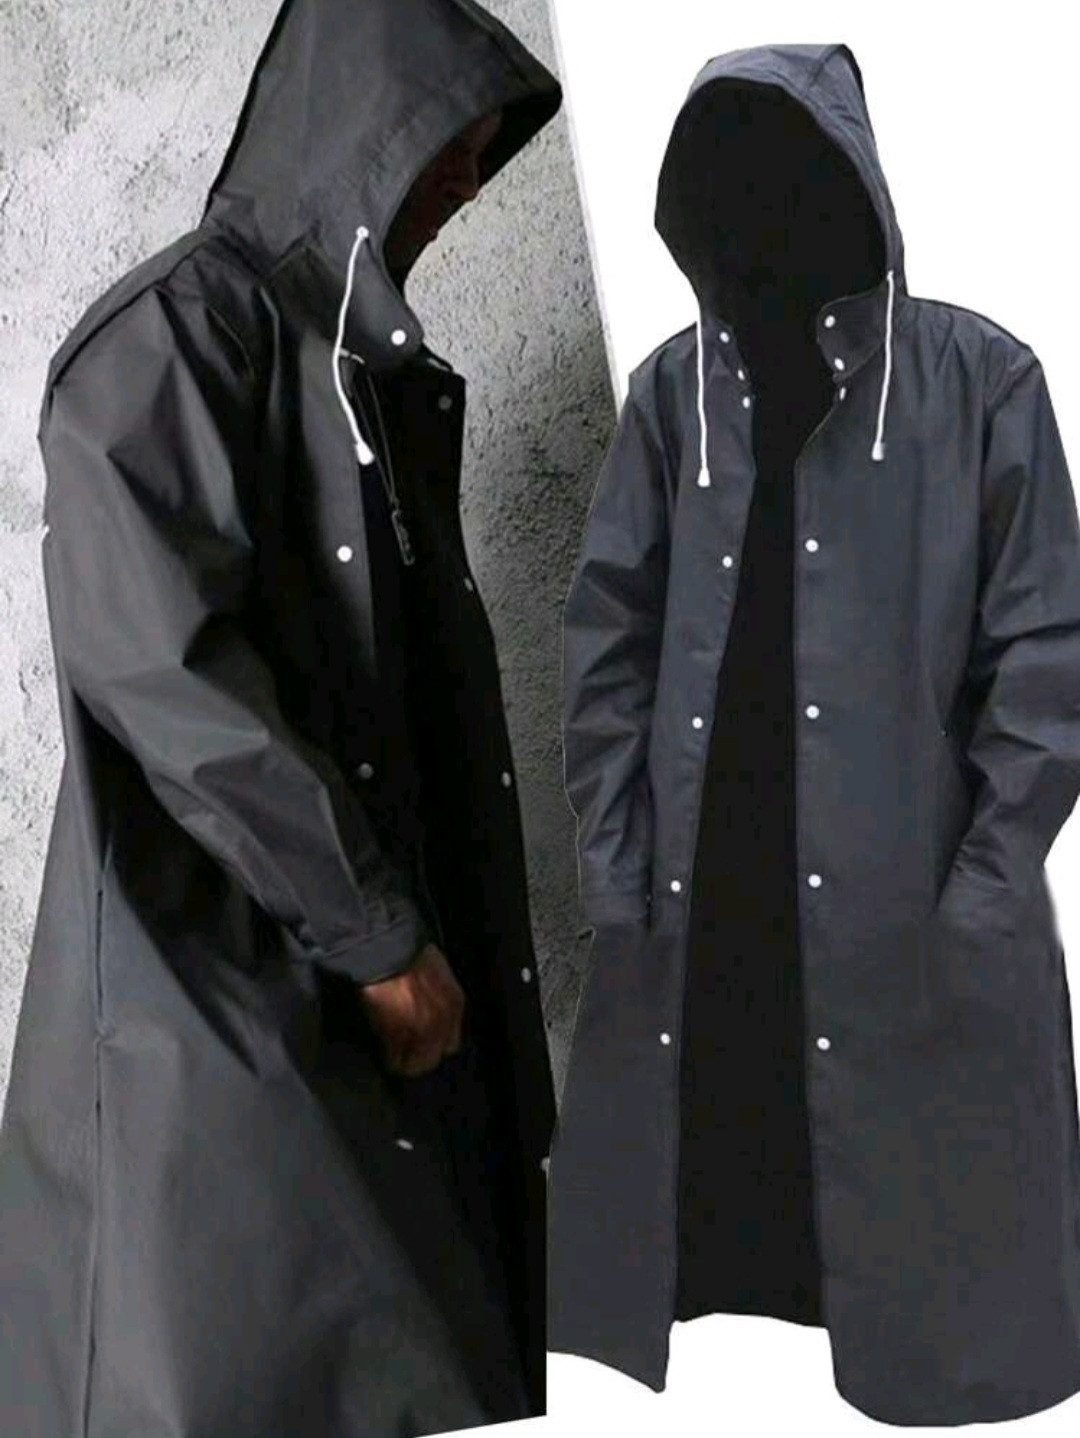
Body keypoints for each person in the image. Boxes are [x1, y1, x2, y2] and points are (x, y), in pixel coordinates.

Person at [0, 2, 562, 1435]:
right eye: (445, 147)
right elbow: (165, 672)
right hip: (237, 1021)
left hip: (384, 1013)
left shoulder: (364, 376)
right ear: (359, 131)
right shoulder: (170, 343)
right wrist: (376, 933)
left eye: (478, 154)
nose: (463, 185)